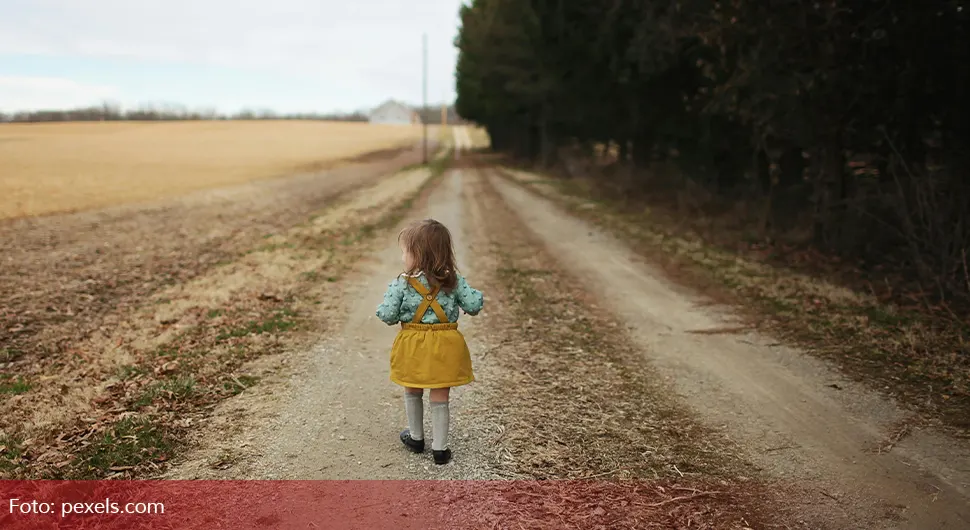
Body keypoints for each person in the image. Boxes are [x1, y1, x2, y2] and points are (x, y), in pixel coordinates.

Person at [375, 219, 484, 465]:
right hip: (446, 344)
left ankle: (416, 438)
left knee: (412, 387)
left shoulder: (402, 283)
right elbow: (474, 305)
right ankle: (440, 450)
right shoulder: (453, 280)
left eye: (405, 251)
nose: (403, 257)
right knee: (440, 393)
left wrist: (386, 311)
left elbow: (387, 314)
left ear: (418, 254)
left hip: (412, 344)